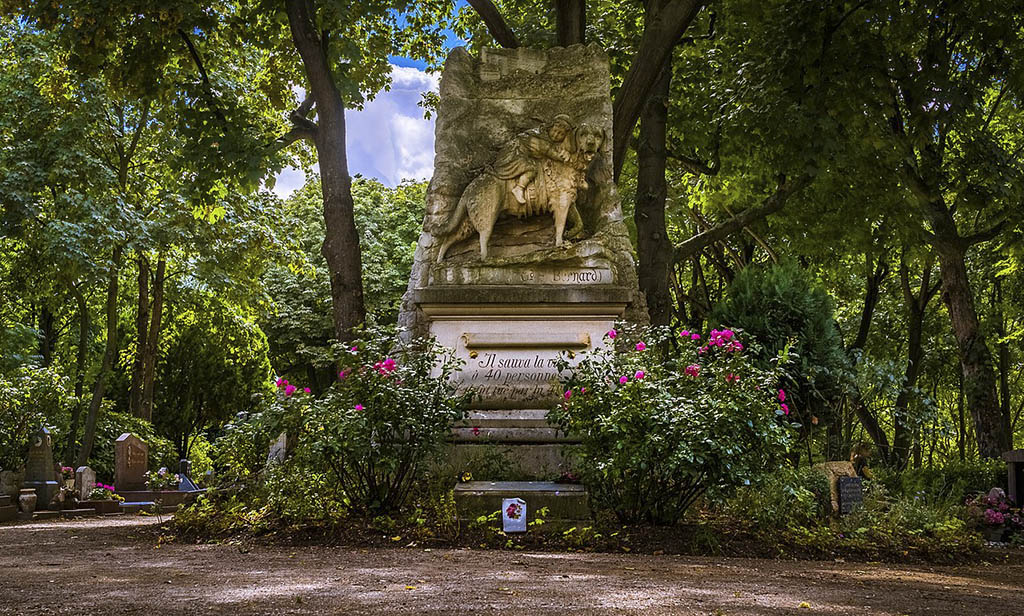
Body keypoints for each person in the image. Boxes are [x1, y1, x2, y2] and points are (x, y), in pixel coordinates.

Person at [492, 115, 574, 205]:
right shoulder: (538, 138)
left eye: (561, 134)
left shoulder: (547, 139)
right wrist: (569, 159)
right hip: (513, 156)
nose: (555, 135)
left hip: (520, 155)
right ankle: (519, 188)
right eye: (555, 131)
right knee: (531, 168)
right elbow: (551, 153)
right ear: (550, 127)